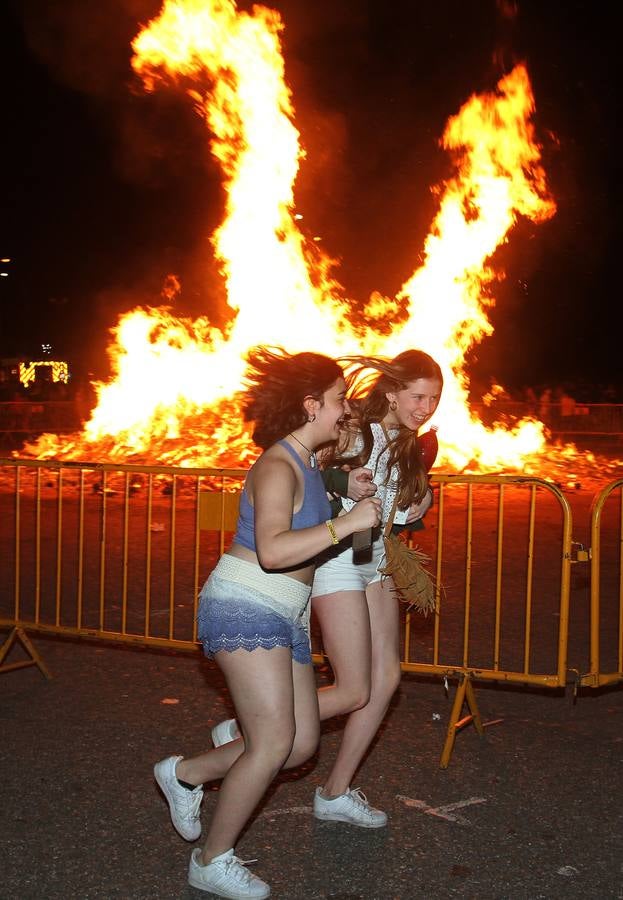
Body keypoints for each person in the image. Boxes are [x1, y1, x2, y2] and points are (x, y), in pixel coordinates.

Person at [153, 347, 381, 900]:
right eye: (337, 400)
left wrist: (338, 492)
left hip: (286, 612)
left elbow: (306, 499)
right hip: (247, 601)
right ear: (309, 406)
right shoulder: (277, 464)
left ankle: (187, 773)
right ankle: (211, 860)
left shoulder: (304, 460)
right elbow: (275, 549)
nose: (344, 409)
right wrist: (345, 524)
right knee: (274, 740)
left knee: (300, 743)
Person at [212, 349, 443, 829]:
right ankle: (250, 727)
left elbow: (395, 510)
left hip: (374, 558)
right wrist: (347, 481)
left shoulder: (413, 443)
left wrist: (421, 500)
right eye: (418, 395)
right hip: (337, 559)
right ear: (392, 390)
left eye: (434, 399)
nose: (426, 407)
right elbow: (318, 471)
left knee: (386, 682)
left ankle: (335, 791)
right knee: (355, 687)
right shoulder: (352, 426)